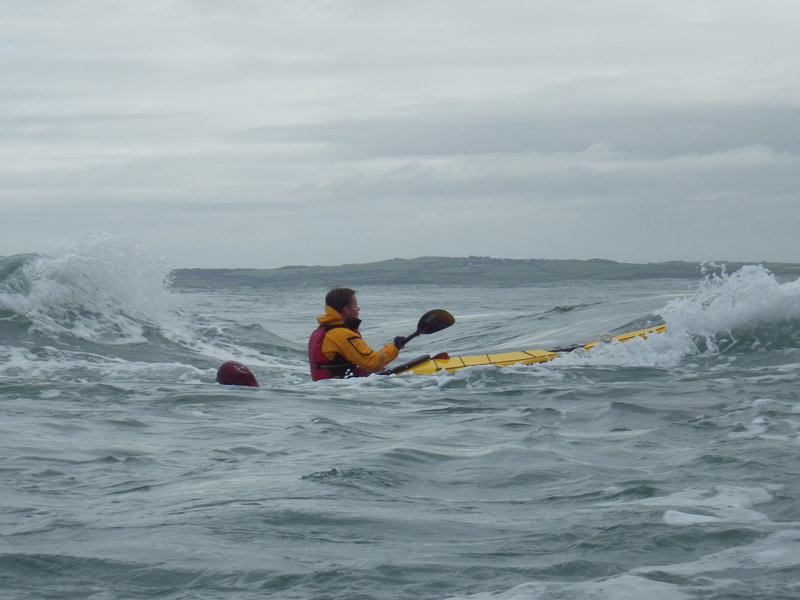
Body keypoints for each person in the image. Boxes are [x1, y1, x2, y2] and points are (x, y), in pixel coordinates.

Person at [308, 287, 406, 381]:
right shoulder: (341, 334)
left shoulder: (322, 331)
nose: (358, 309)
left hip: (327, 389)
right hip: (344, 389)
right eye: (355, 305)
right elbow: (373, 362)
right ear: (345, 310)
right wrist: (395, 348)